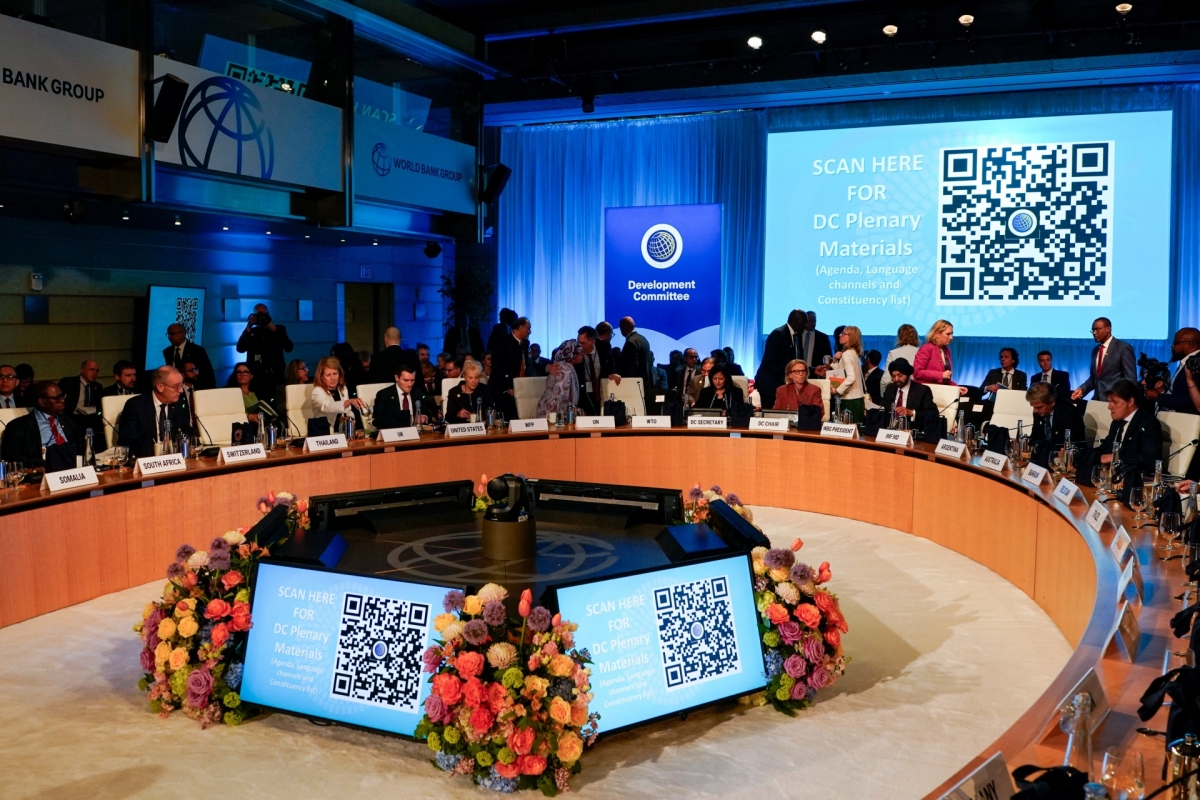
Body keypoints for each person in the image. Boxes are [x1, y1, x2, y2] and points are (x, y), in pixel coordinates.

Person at [1077, 379, 1163, 499]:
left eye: (1115, 402)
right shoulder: (1117, 422)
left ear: (1130, 402)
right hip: (1113, 479)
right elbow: (1105, 448)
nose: (1109, 407)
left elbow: (1149, 459)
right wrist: (1080, 455)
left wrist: (1115, 457)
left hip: (1137, 486)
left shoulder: (1149, 423)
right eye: (1109, 402)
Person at [1, 380, 82, 468]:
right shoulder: (18, 427)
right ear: (42, 402)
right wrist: (44, 464)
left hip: (73, 470)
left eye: (62, 397)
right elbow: (10, 457)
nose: (62, 401)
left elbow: (81, 449)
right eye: (57, 398)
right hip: (41, 472)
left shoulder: (69, 422)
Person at [117, 366, 193, 458]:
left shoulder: (179, 405)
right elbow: (127, 441)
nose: (181, 390)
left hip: (174, 460)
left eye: (181, 385)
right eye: (176, 386)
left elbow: (187, 433)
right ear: (160, 387)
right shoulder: (135, 406)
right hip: (146, 461)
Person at [235, 303, 293, 400]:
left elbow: (289, 347)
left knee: (277, 400)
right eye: (259, 315)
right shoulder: (252, 332)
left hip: (275, 374)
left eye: (264, 314)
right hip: (257, 375)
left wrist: (272, 327)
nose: (262, 317)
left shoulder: (279, 329)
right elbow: (240, 349)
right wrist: (249, 326)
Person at [1072, 317, 1136, 401]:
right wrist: (1082, 389)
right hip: (1097, 400)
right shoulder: (1095, 350)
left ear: (1108, 329)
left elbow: (1130, 380)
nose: (1094, 333)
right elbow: (1094, 378)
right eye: (1093, 330)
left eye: (1097, 329)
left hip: (1115, 402)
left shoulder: (1123, 348)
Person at [756, 309, 808, 410]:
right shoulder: (778, 334)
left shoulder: (796, 336)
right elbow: (769, 362)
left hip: (782, 385)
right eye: (804, 322)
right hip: (770, 385)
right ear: (795, 320)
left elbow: (795, 363)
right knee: (771, 418)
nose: (806, 325)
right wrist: (790, 374)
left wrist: (813, 369)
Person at [1025, 382, 1085, 469]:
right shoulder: (1038, 412)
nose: (1035, 411)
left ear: (1052, 402)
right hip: (1044, 460)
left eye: (1038, 407)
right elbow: (1035, 437)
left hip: (1066, 462)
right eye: (1033, 407)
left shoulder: (1069, 413)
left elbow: (1073, 444)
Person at [880, 358, 939, 432]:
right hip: (890, 431)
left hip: (912, 432)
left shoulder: (922, 390)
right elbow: (883, 409)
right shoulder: (890, 388)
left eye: (900, 375)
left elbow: (933, 414)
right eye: (893, 376)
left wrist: (911, 413)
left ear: (907, 374)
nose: (896, 379)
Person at [490, 315, 532, 419]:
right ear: (520, 327)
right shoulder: (503, 343)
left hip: (521, 387)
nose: (529, 331)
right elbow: (498, 367)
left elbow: (525, 365)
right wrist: (507, 388)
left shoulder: (525, 343)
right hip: (504, 389)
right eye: (528, 328)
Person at [913, 320, 969, 396]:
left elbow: (946, 380)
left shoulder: (947, 351)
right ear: (937, 334)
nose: (951, 337)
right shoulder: (926, 348)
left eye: (952, 334)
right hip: (924, 394)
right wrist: (940, 375)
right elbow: (917, 372)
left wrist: (957, 388)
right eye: (948, 334)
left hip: (940, 394)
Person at [575, 325, 621, 416]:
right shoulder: (574, 349)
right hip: (582, 393)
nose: (579, 346)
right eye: (578, 342)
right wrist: (549, 366)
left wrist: (613, 373)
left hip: (599, 391)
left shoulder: (604, 346)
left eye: (582, 343)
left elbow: (610, 366)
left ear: (592, 342)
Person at [310, 356, 364, 431]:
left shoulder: (343, 388)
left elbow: (347, 411)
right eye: (328, 375)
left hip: (343, 430)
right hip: (326, 432)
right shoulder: (317, 391)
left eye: (335, 373)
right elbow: (326, 407)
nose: (333, 378)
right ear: (321, 377)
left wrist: (352, 422)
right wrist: (348, 402)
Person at [534, 339, 583, 418]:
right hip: (552, 413)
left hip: (547, 409)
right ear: (573, 356)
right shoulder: (566, 370)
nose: (582, 357)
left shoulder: (560, 365)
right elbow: (559, 396)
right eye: (580, 354)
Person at [1157, 327, 1200, 414]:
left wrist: (1158, 397)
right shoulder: (1187, 361)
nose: (1172, 346)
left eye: (1176, 342)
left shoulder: (1196, 364)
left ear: (1190, 345)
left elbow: (1191, 400)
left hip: (1190, 421)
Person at [373, 365, 429, 430]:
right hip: (393, 434)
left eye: (412, 380)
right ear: (397, 378)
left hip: (416, 434)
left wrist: (424, 417)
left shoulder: (417, 393)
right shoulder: (384, 395)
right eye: (406, 380)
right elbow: (378, 420)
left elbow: (429, 411)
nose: (410, 384)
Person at [59, 359, 104, 440]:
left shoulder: (97, 387)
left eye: (97, 371)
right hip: (72, 417)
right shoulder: (69, 382)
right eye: (91, 370)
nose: (95, 373)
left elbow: (99, 407)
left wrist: (98, 413)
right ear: (82, 370)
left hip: (90, 418)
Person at [163, 323, 216, 390]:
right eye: (168, 334)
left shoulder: (197, 350)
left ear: (183, 334)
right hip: (176, 389)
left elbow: (207, 373)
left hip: (195, 389)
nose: (170, 337)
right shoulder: (167, 352)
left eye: (172, 334)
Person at [618, 317, 655, 406]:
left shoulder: (630, 342)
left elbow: (631, 367)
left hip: (634, 386)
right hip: (646, 384)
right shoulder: (643, 339)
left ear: (623, 328)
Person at [832, 325, 866, 422]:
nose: (839, 335)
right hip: (857, 398)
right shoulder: (853, 352)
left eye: (843, 333)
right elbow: (842, 373)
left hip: (849, 399)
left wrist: (837, 391)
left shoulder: (847, 354)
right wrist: (835, 361)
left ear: (851, 337)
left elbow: (851, 377)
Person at [880, 324, 921, 395]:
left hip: (899, 393)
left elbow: (886, 380)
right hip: (919, 393)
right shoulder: (922, 352)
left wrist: (884, 397)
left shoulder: (893, 353)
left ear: (899, 336)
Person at [804, 310, 834, 375]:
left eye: (814, 321)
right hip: (799, 372)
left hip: (816, 373)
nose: (813, 324)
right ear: (805, 321)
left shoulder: (822, 337)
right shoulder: (797, 336)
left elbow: (828, 356)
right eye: (811, 321)